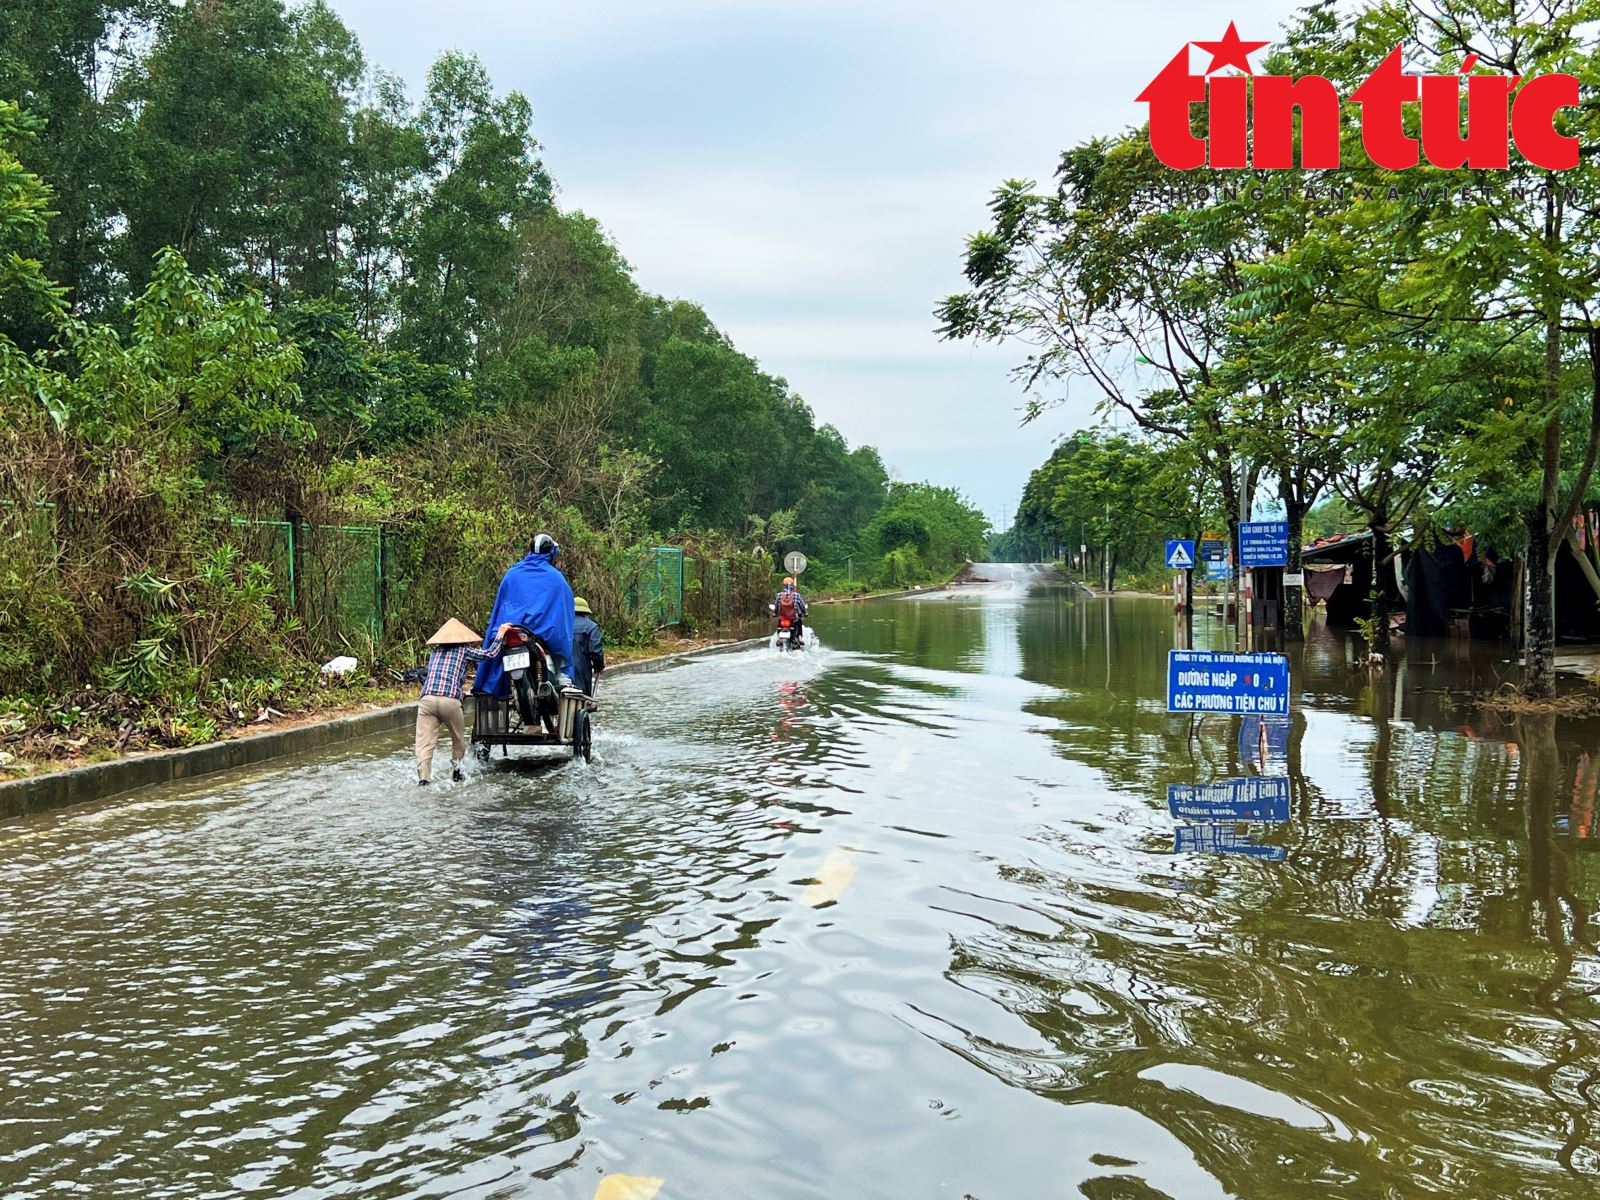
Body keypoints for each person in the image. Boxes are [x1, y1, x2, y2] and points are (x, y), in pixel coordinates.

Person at [473, 533, 576, 701]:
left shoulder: (512, 573)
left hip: (511, 629)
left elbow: (501, 605)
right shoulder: (556, 578)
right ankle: (561, 676)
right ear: (551, 553)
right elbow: (563, 613)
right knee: (559, 642)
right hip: (542, 633)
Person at [417, 618, 509, 785]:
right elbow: (489, 655)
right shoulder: (463, 650)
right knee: (458, 740)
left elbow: (440, 676)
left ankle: (424, 779)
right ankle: (457, 772)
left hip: (427, 700)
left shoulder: (435, 653)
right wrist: (501, 635)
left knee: (424, 744)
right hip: (449, 702)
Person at [571, 596, 606, 697]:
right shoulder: (591, 627)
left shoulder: (561, 625)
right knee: (583, 700)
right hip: (581, 673)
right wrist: (599, 667)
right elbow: (595, 652)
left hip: (560, 672)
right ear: (585, 613)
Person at [772, 575, 808, 645]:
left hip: (782, 618)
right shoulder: (796, 595)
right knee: (799, 623)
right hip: (793, 618)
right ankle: (800, 638)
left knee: (779, 625)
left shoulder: (779, 595)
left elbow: (776, 606)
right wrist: (805, 612)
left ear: (783, 585)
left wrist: (776, 613)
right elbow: (802, 605)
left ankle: (779, 638)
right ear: (792, 585)